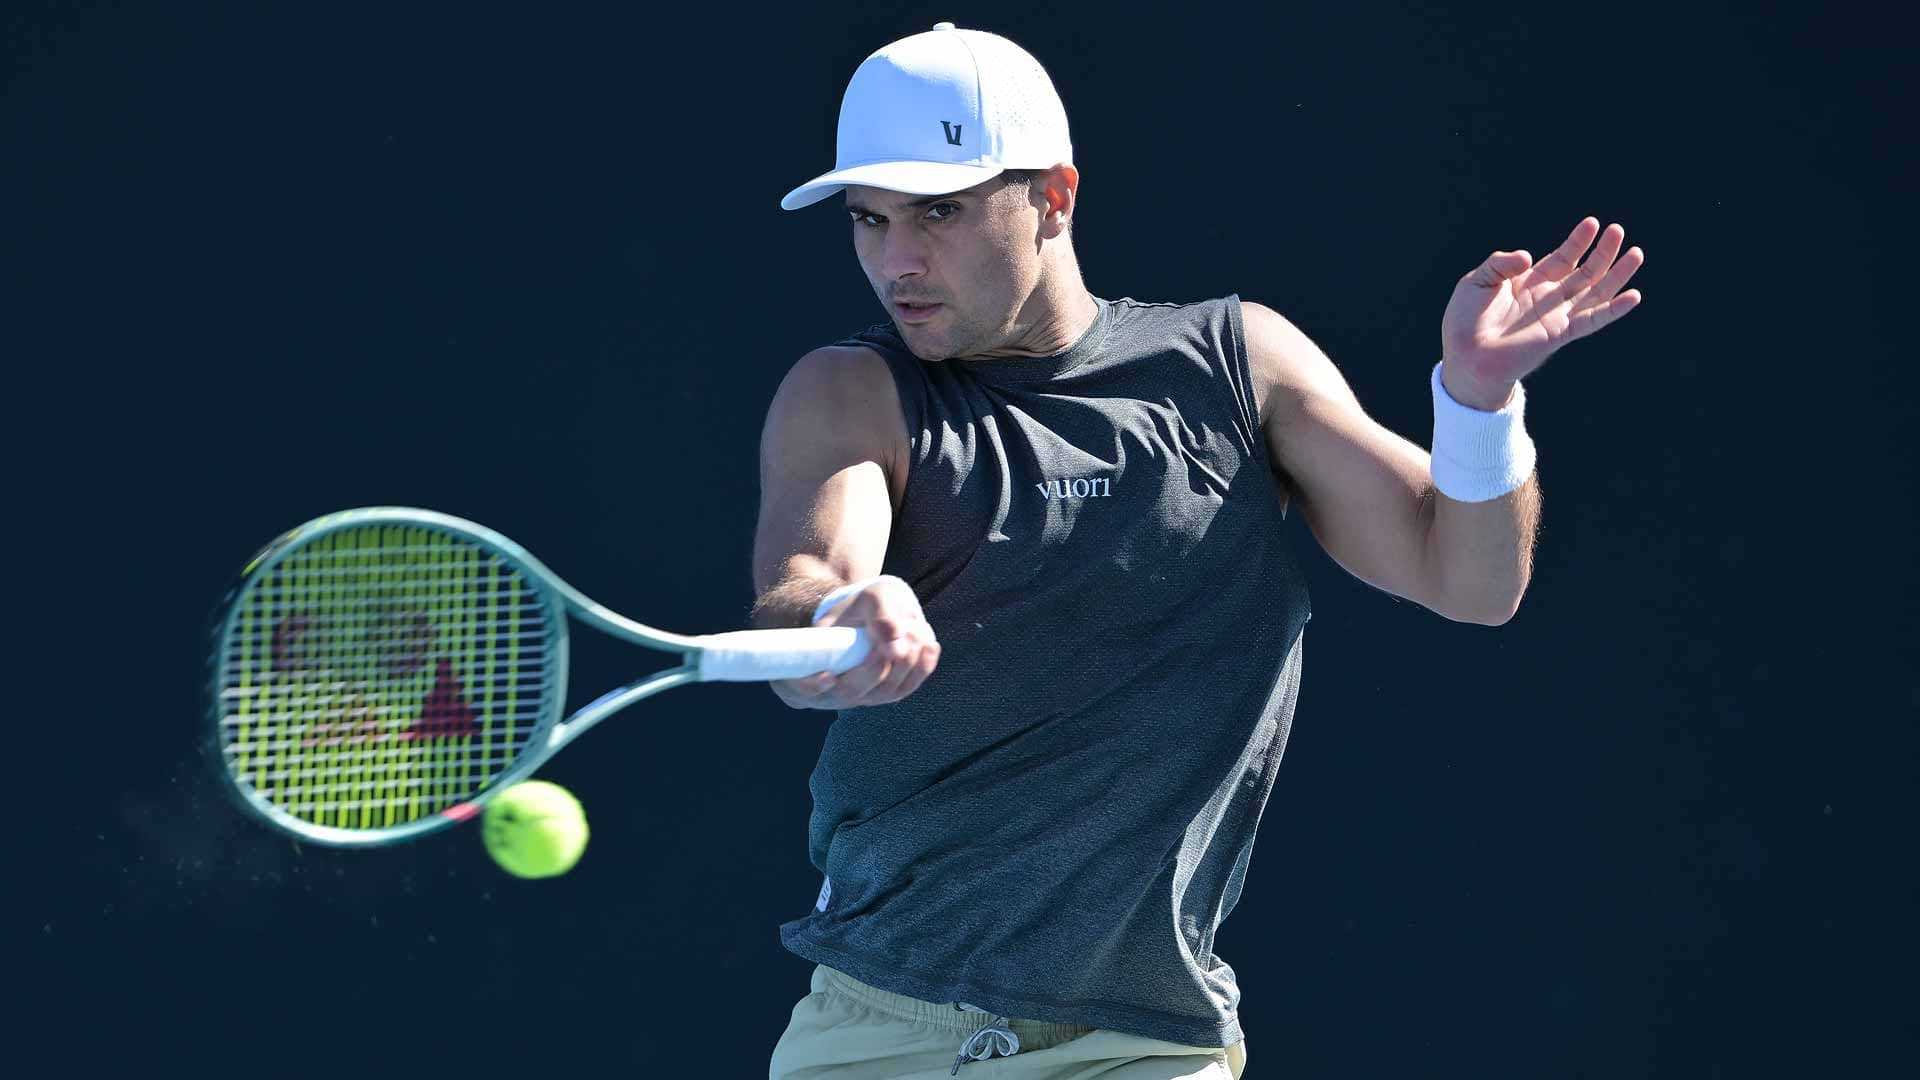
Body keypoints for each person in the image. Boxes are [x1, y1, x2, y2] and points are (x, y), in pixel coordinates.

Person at [751, 22, 1642, 1080]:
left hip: (1146, 1048)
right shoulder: (849, 392)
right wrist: (834, 620)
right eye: (871, 219)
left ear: (1054, 197)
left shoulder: (1236, 365)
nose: (898, 259)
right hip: (882, 1029)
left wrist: (1478, 404)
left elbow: (1471, 581)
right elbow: (806, 588)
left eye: (939, 211)